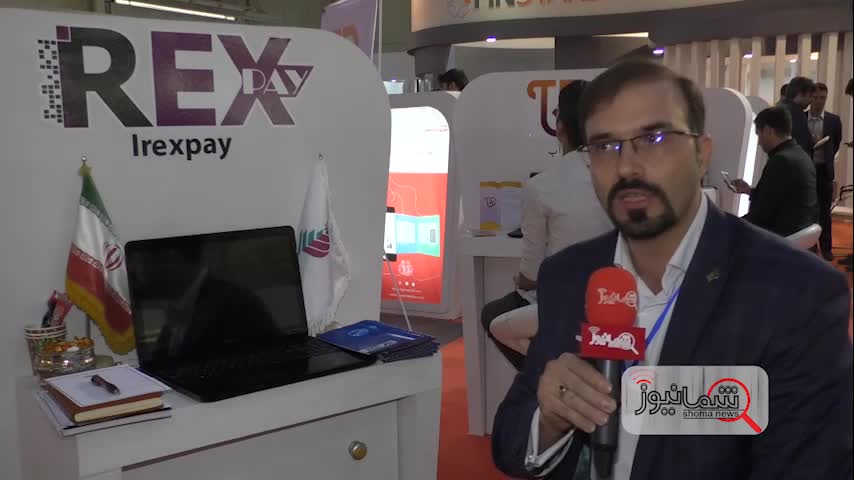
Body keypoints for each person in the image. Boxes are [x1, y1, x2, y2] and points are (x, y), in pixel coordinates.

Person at [491, 60, 852, 480]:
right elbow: (510, 443)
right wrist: (549, 421)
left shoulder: (795, 294)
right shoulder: (569, 276)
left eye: (654, 138)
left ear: (701, 154)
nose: (626, 167)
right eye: (604, 146)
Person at [481, 81, 612, 370]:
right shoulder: (620, 176)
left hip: (564, 304)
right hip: (616, 302)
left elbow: (531, 273)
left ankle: (549, 376)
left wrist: (523, 281)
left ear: (560, 127)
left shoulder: (542, 186)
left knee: (492, 315)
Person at [731, 106, 818, 238]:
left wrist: (730, 224)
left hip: (780, 235)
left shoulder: (781, 160)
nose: (759, 142)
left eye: (758, 135)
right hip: (800, 231)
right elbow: (782, 197)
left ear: (768, 131)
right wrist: (750, 191)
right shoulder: (801, 155)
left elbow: (762, 215)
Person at [807, 82, 843, 259]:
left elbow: (836, 143)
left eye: (822, 98)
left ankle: (826, 248)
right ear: (810, 98)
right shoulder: (801, 118)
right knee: (808, 210)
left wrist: (826, 159)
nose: (819, 101)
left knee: (824, 211)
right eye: (815, 97)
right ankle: (810, 246)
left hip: (824, 171)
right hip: (807, 170)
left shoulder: (833, 120)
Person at [777, 76, 816, 156]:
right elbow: (803, 143)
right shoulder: (796, 113)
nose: (812, 100)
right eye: (810, 96)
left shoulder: (779, 108)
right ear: (799, 94)